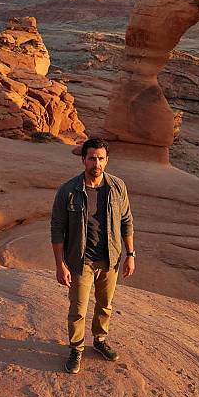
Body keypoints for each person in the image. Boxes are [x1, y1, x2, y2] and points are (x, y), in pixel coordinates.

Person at [51, 138, 135, 374]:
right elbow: (57, 228)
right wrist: (60, 265)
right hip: (81, 261)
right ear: (83, 160)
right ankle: (76, 349)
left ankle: (99, 341)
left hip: (110, 259)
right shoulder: (68, 190)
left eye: (100, 158)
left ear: (107, 160)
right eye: (91, 158)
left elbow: (126, 220)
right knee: (78, 309)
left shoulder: (118, 187)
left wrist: (130, 254)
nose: (96, 163)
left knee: (105, 305)